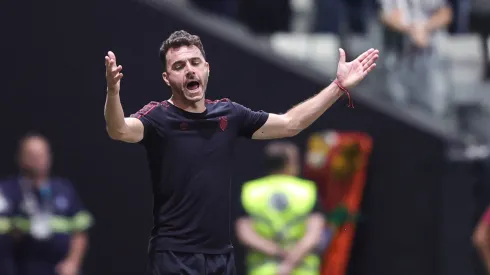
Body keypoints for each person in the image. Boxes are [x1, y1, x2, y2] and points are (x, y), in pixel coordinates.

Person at [103, 30, 378, 275]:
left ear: (207, 68)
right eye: (179, 66)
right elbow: (119, 130)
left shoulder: (229, 114)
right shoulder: (158, 117)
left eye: (195, 63)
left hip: (221, 257)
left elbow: (291, 124)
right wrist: (113, 92)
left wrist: (338, 86)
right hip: (174, 255)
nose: (189, 70)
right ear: (167, 77)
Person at [0, 133, 93, 275]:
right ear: (20, 157)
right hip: (20, 267)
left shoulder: (64, 189)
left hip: (59, 269)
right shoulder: (7, 191)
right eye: (31, 155)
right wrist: (15, 231)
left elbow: (80, 231)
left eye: (41, 154)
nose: (37, 159)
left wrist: (72, 263)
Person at [236, 141, 325, 275]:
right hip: (301, 268)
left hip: (263, 269)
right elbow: (314, 234)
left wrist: (277, 252)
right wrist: (290, 261)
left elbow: (245, 233)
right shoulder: (307, 190)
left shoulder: (251, 191)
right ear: (290, 163)